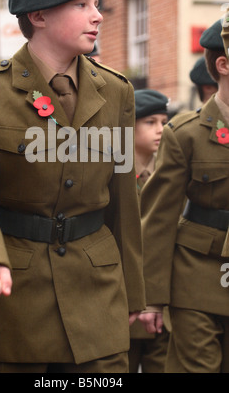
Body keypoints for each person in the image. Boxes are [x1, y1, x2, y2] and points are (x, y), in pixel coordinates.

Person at [0, 0, 145, 373]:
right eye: (82, 5)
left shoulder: (118, 92)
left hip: (97, 297)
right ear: (39, 16)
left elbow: (125, 201)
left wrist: (135, 298)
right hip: (12, 302)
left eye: (96, 3)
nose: (98, 15)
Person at [138, 16, 229, 373]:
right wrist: (152, 299)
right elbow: (158, 218)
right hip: (197, 276)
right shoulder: (186, 134)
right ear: (223, 65)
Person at [129, 89, 170, 373]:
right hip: (124, 308)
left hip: (163, 309)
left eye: (164, 122)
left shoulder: (170, 175)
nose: (160, 130)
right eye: (150, 122)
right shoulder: (111, 174)